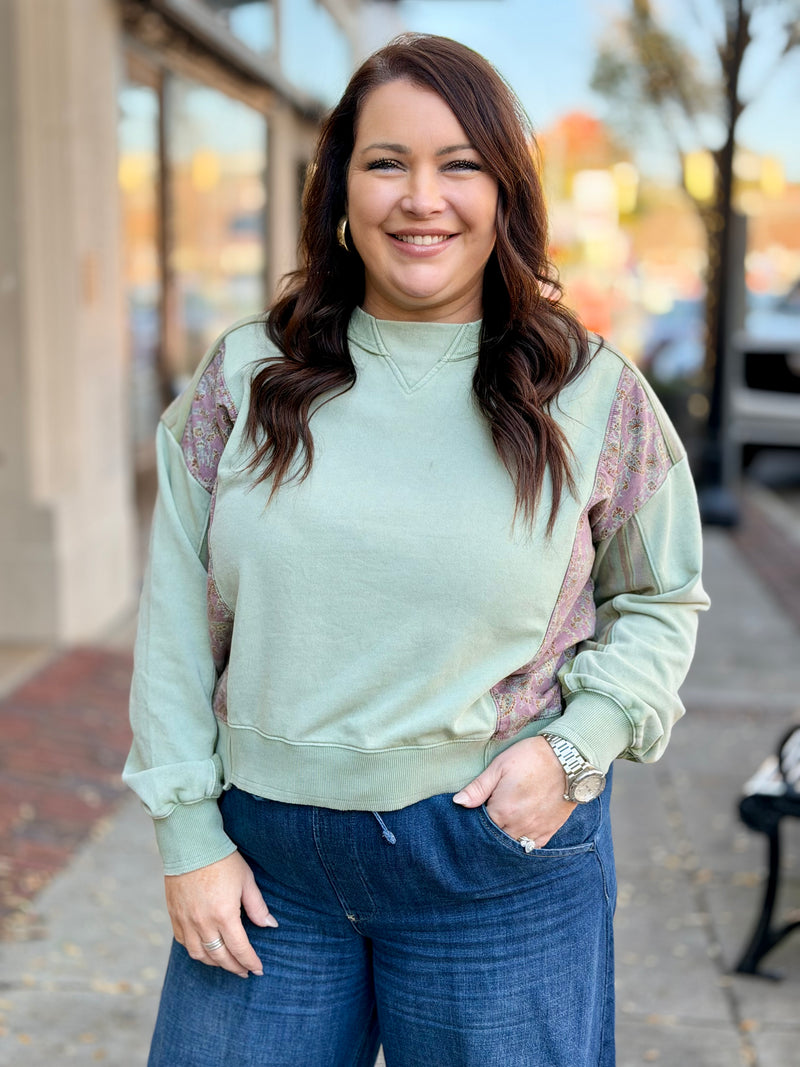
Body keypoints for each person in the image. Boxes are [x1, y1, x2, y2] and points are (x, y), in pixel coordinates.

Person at [124, 33, 709, 1067]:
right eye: (385, 161)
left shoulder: (588, 390)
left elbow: (661, 596)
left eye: (458, 164)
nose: (419, 198)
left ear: (504, 192)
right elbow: (174, 609)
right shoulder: (245, 377)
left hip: (496, 857)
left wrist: (578, 748)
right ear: (340, 188)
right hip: (267, 867)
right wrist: (186, 833)